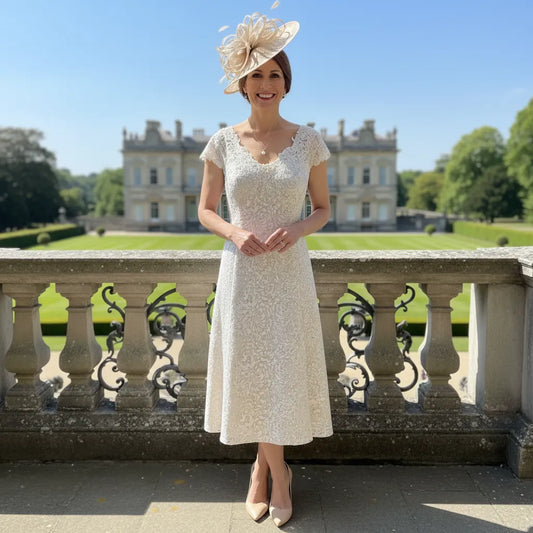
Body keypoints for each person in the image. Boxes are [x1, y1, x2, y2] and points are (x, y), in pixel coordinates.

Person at [198, 12, 333, 527]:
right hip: (242, 272)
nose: (266, 84)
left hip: (288, 272)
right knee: (250, 368)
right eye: (256, 75)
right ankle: (272, 472)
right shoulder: (222, 142)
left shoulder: (309, 142)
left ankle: (266, 471)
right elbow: (206, 210)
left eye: (275, 74)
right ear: (241, 84)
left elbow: (322, 208)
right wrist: (233, 232)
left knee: (279, 368)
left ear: (286, 83)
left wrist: (297, 230)